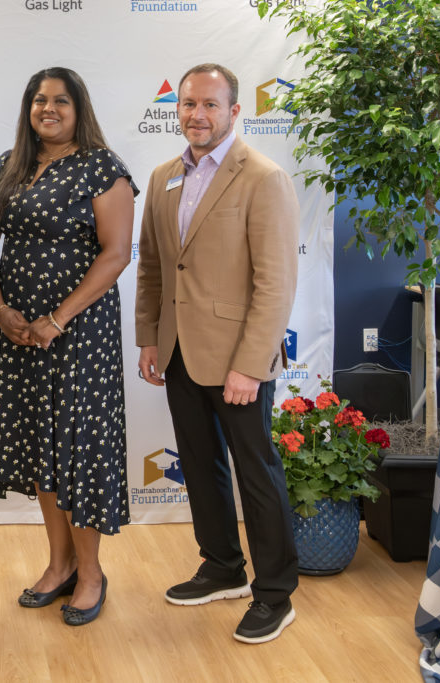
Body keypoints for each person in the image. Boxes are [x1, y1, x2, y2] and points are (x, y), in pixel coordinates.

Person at [134, 63, 300, 644]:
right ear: (176, 110)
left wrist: (250, 366)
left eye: (210, 104)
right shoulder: (162, 178)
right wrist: (149, 336)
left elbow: (275, 283)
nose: (197, 115)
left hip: (238, 361)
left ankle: (275, 594)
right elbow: (154, 266)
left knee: (256, 473)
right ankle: (222, 566)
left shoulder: (263, 177)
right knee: (200, 466)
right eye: (187, 104)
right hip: (179, 351)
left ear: (234, 111)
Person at [0, 67, 137, 627]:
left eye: (60, 100)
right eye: (39, 100)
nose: (49, 108)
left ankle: (91, 574)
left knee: (78, 451)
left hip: (79, 335)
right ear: (28, 108)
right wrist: (1, 310)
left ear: (78, 108)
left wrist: (56, 319)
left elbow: (116, 254)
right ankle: (58, 564)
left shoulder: (103, 169)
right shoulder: (5, 169)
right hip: (19, 334)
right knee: (42, 446)